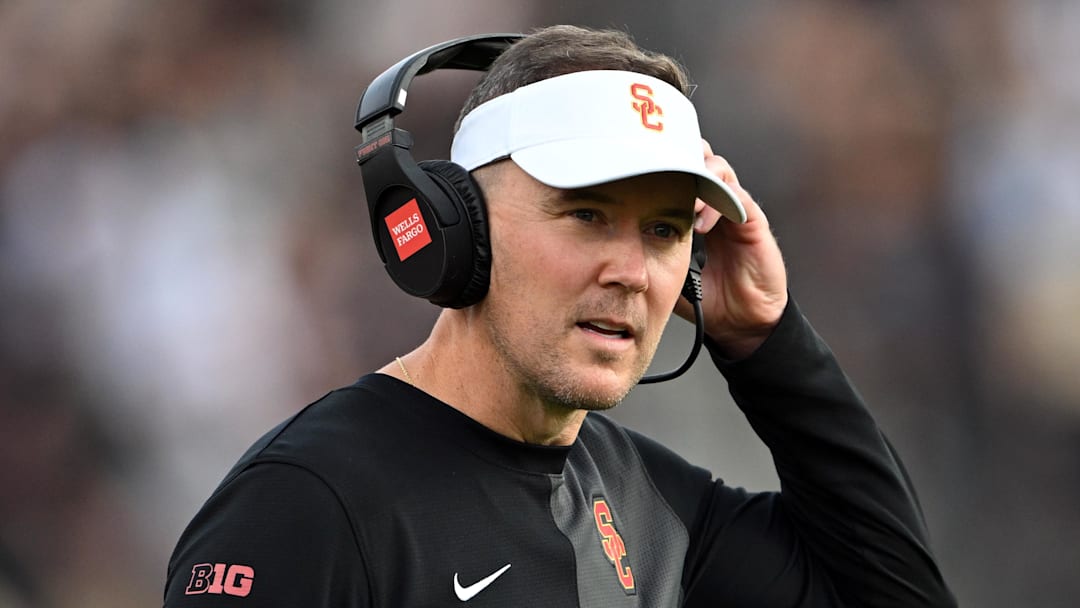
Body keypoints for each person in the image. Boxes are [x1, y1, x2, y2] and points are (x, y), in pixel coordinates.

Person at [163, 25, 955, 607]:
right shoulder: (308, 502)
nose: (632, 272)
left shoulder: (656, 510)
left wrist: (768, 341)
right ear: (458, 224)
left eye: (664, 231)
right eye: (585, 215)